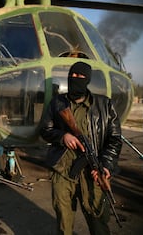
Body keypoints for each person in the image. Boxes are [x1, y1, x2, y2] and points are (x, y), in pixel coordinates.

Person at [39, 61, 123, 235]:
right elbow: (45, 130)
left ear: (88, 80)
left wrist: (106, 164)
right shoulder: (57, 103)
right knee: (64, 221)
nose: (75, 79)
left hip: (92, 174)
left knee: (98, 221)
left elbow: (114, 139)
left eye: (80, 76)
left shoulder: (105, 105)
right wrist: (63, 136)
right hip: (63, 172)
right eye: (73, 75)